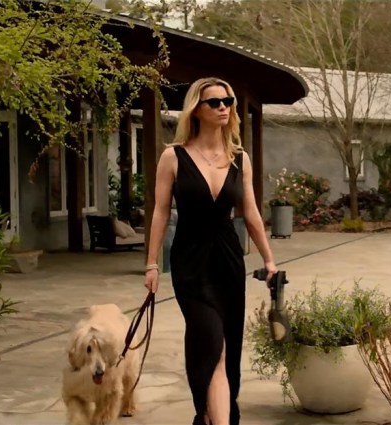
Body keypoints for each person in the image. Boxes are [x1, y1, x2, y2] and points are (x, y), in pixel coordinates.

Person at [143, 77, 278, 425]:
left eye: (228, 101)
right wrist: (152, 264)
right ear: (196, 110)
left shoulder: (240, 159)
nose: (223, 107)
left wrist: (269, 260)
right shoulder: (173, 157)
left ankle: (207, 415)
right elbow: (160, 212)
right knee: (212, 342)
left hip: (228, 262)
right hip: (189, 262)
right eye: (215, 102)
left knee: (225, 347)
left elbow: (251, 213)